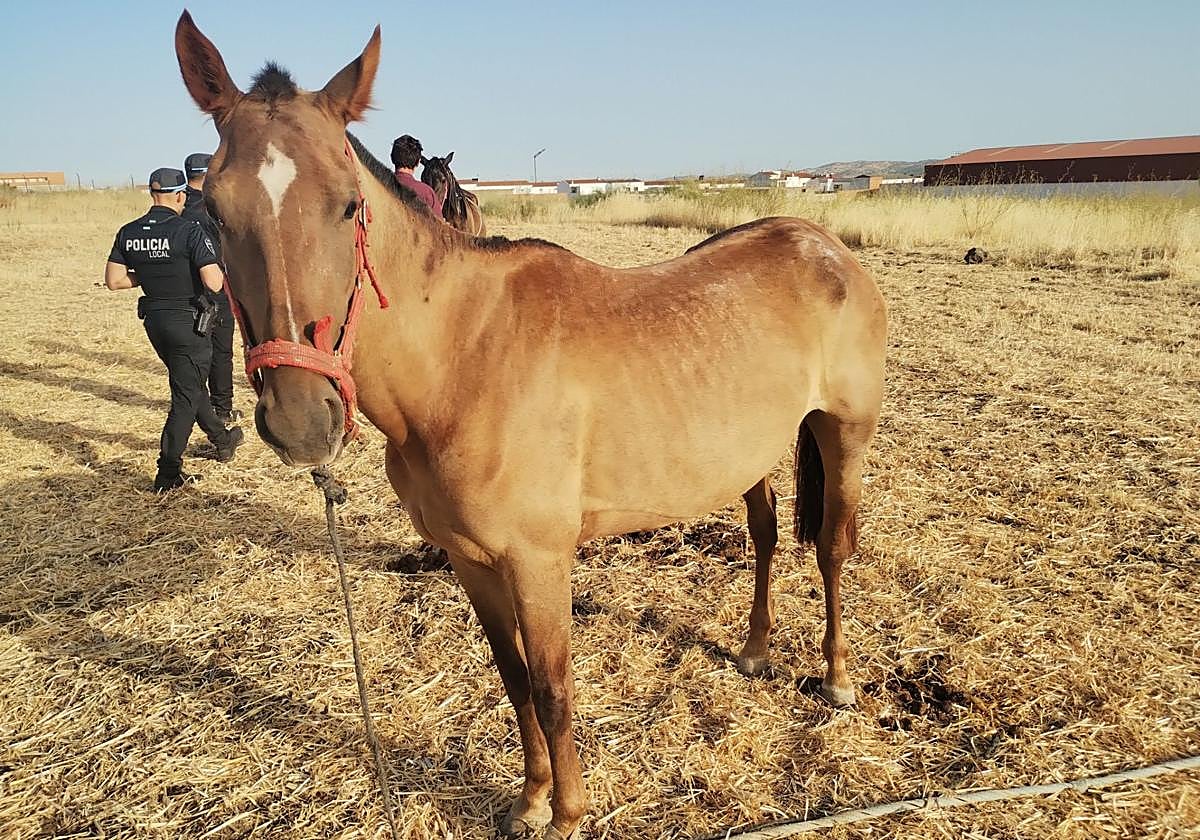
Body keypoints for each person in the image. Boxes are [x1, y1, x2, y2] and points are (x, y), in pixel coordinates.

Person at [105, 167, 244, 492]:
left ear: (153, 194)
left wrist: (149, 276)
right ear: (181, 195)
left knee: (190, 385)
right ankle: (168, 473)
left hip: (155, 321)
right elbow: (213, 281)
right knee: (184, 396)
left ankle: (222, 439)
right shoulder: (189, 231)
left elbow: (114, 281)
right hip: (190, 323)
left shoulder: (129, 231)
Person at [182, 152, 241, 424]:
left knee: (193, 352)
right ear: (209, 174)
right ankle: (221, 408)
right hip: (214, 286)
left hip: (183, 289)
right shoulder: (214, 207)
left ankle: (196, 404)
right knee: (220, 351)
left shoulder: (177, 207)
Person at [391, 135, 443, 218]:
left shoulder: (378, 186)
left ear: (392, 158)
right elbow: (440, 230)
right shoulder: (427, 193)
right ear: (418, 162)